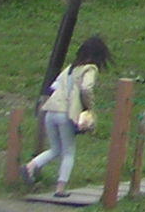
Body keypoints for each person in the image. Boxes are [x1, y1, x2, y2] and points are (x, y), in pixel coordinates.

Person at [23, 34, 109, 199]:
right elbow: (86, 88)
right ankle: (60, 189)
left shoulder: (69, 68)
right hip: (67, 113)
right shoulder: (90, 68)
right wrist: (89, 107)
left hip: (50, 111)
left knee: (55, 149)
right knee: (68, 152)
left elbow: (53, 87)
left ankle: (30, 166)